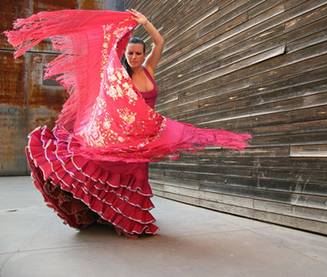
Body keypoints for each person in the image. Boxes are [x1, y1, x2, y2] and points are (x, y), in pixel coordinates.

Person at [5, 9, 252, 238]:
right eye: (130, 53)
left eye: (138, 53)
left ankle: (128, 219)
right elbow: (107, 69)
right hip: (125, 136)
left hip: (146, 134)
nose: (134, 57)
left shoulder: (149, 70)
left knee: (138, 176)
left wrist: (145, 24)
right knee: (115, 172)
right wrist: (120, 31)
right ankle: (110, 216)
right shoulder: (118, 78)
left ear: (143, 56)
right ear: (125, 55)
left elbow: (160, 43)